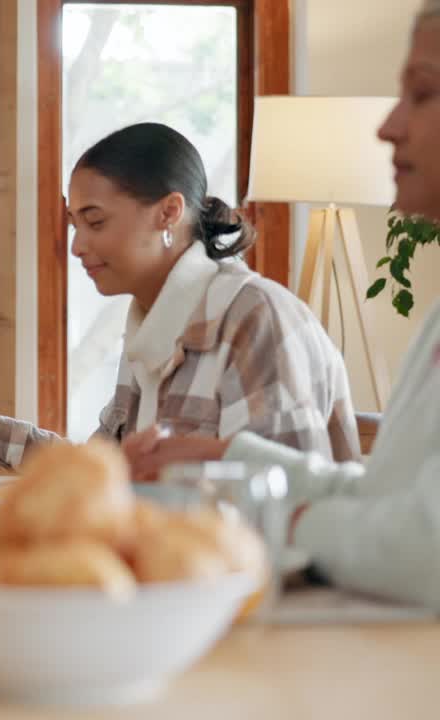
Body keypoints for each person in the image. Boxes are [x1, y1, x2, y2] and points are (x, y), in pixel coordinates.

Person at [126, 0, 440, 610]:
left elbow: (424, 547)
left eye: (423, 95)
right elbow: (385, 499)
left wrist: (278, 520)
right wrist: (231, 460)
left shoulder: (254, 314)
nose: (388, 126)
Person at [0, 122, 360, 469]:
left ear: (169, 212)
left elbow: (284, 505)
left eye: (95, 222)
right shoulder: (150, 328)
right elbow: (99, 471)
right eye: (74, 225)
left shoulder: (256, 318)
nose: (76, 246)